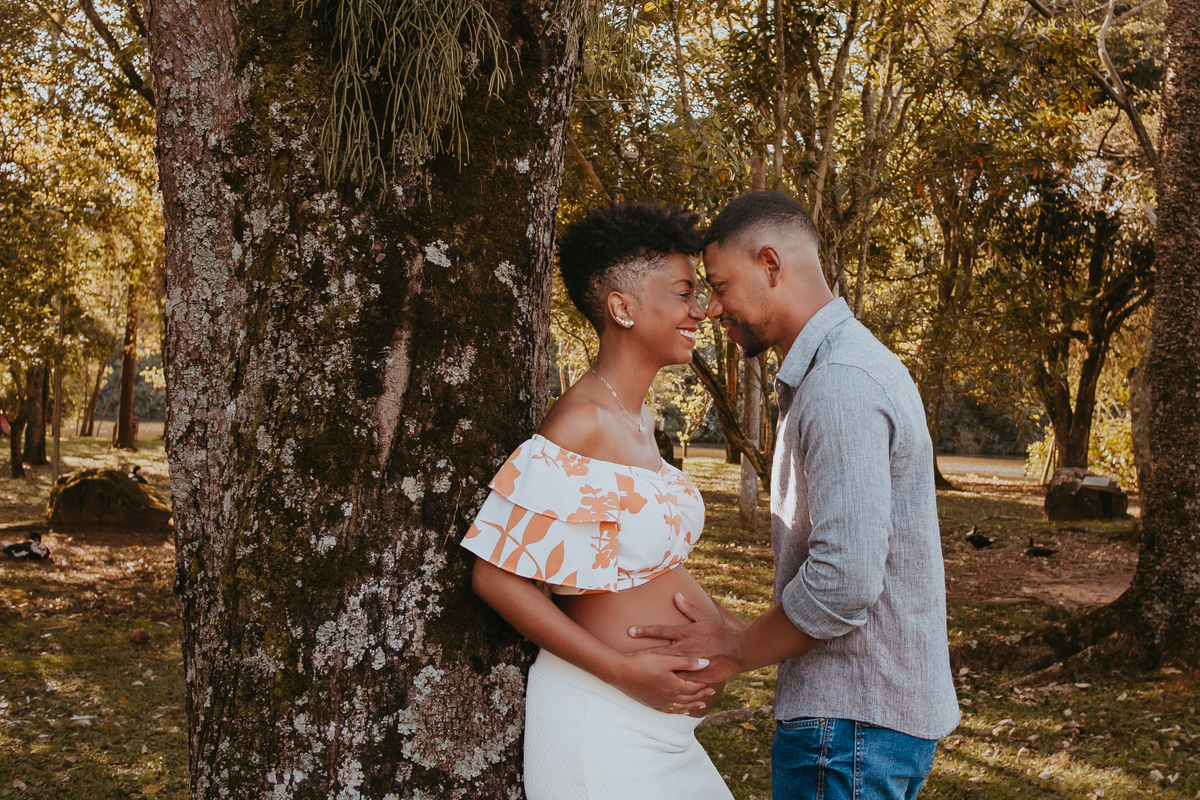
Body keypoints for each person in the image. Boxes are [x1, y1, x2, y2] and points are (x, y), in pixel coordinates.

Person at [630, 191, 959, 800]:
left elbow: (844, 582)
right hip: (868, 723)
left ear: (772, 265)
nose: (712, 309)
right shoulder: (845, 368)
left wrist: (736, 649)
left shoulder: (840, 385)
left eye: (722, 285)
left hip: (851, 726)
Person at [462, 203, 736, 800]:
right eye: (684, 292)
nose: (700, 310)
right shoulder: (582, 422)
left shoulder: (635, 419)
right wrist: (626, 673)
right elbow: (495, 577)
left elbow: (639, 563)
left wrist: (729, 633)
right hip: (603, 722)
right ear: (622, 308)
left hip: (664, 730)